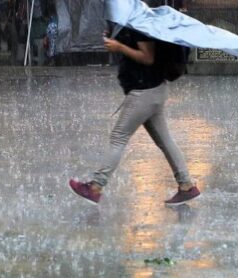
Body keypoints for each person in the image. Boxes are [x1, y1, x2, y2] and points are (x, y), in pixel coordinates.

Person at [69, 27, 200, 206]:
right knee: (165, 140)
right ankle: (186, 185)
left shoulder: (139, 26)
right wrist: (115, 39)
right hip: (155, 90)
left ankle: (95, 187)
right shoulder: (134, 25)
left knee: (118, 138)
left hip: (143, 93)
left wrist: (119, 47)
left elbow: (147, 57)